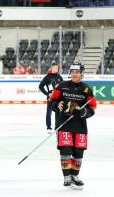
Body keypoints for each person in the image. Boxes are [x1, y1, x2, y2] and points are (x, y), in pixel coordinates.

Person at [48, 62, 96, 190]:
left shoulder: (86, 89)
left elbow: (92, 108)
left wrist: (83, 112)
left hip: (79, 125)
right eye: (73, 72)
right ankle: (67, 177)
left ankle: (75, 176)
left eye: (77, 72)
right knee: (65, 150)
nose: (74, 74)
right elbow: (51, 101)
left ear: (81, 73)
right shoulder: (61, 86)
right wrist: (57, 106)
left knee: (78, 152)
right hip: (63, 124)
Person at [39, 63, 63, 134]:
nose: (57, 69)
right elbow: (40, 86)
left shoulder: (59, 77)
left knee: (58, 112)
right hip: (50, 98)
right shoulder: (47, 77)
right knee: (49, 113)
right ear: (52, 68)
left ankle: (57, 127)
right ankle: (48, 127)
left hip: (58, 98)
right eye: (56, 67)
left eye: (57, 67)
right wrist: (47, 93)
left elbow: (62, 86)